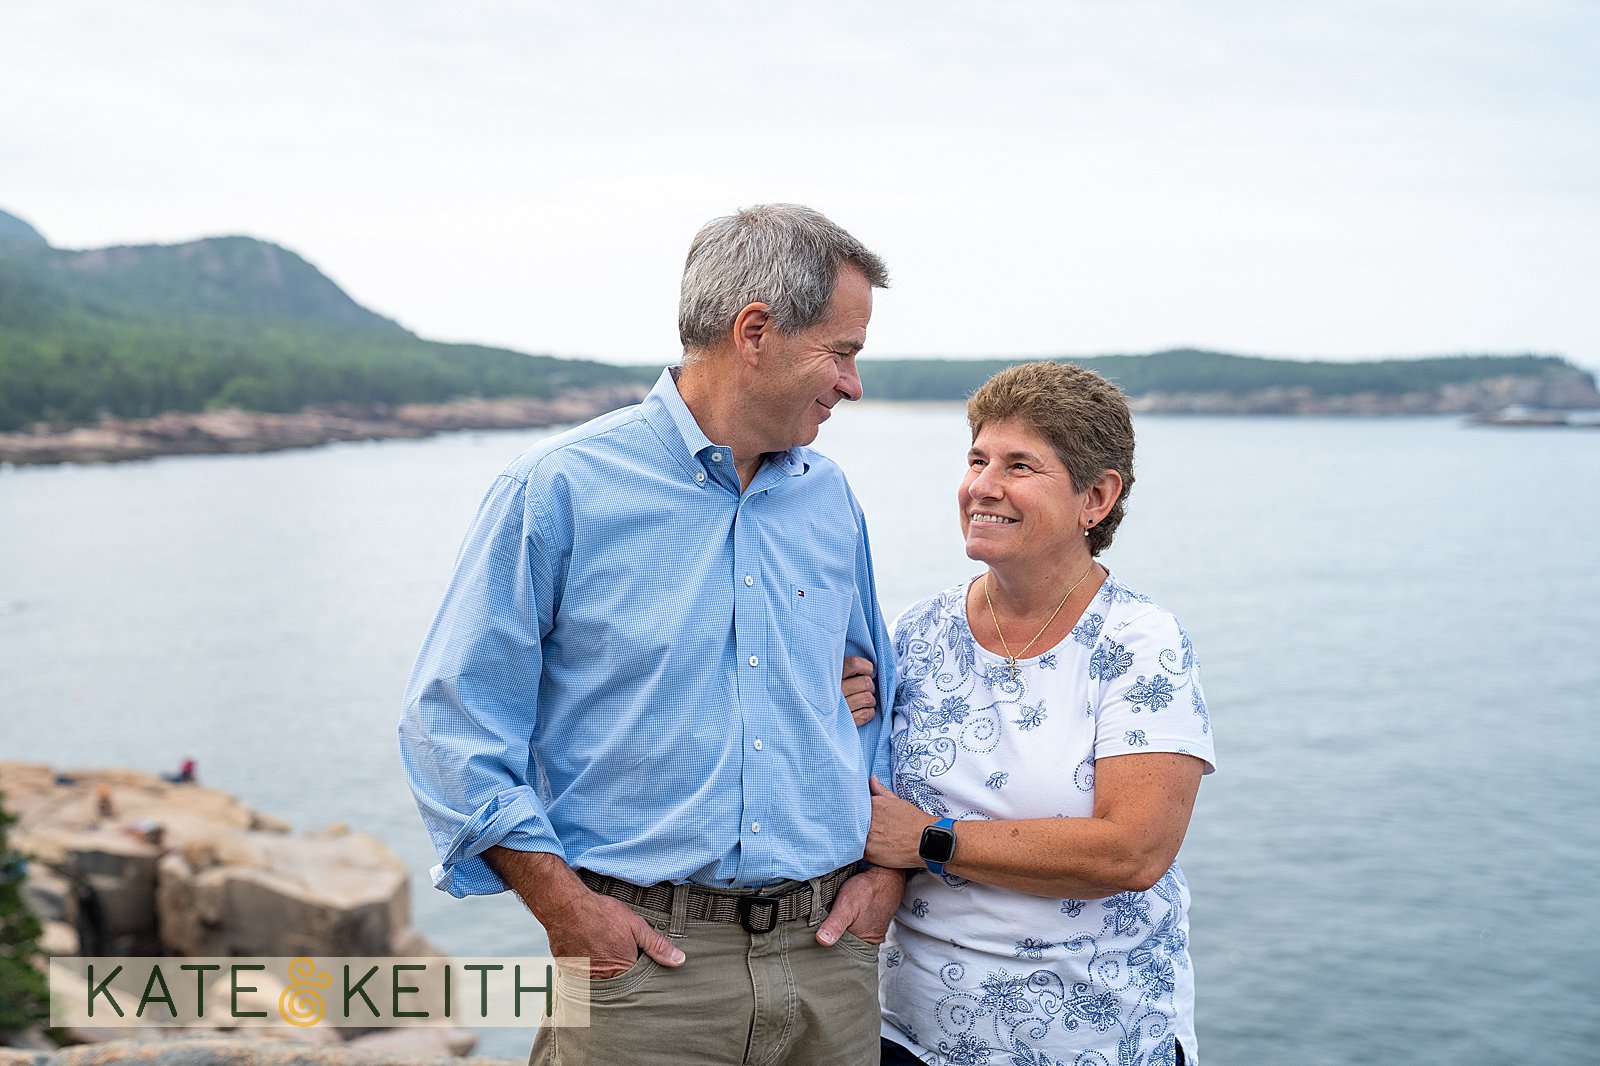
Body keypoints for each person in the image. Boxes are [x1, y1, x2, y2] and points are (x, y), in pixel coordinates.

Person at [399, 204, 906, 1065]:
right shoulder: (556, 491)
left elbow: (875, 701)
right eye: (842, 352)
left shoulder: (831, 498)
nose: (852, 385)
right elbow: (453, 722)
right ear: (755, 331)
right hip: (643, 976)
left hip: (830, 963)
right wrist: (565, 909)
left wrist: (885, 877)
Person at [864, 361, 1216, 1066]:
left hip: (1098, 1042)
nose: (983, 486)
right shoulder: (917, 632)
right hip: (910, 1041)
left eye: (1020, 465)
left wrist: (934, 841)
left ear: (1096, 497)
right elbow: (871, 809)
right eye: (977, 459)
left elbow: (1135, 850)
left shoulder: (1139, 645)